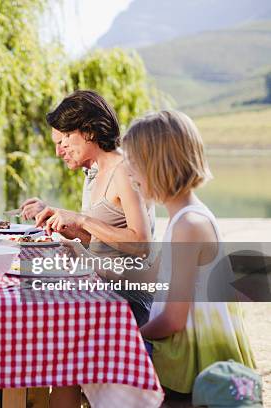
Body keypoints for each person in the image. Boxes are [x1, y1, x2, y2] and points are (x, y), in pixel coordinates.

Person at [123, 110, 255, 395]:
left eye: (133, 163)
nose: (129, 173)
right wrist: (90, 265)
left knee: (102, 361)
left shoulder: (189, 225)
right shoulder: (182, 218)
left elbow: (173, 320)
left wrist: (128, 337)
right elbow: (151, 276)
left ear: (157, 165)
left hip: (193, 364)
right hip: (186, 351)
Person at [30, 91, 155, 325]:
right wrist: (66, 229)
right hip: (103, 284)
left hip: (129, 297)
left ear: (90, 131)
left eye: (67, 134)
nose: (61, 148)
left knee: (45, 312)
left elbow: (141, 244)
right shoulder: (96, 173)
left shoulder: (124, 170)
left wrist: (82, 220)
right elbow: (99, 239)